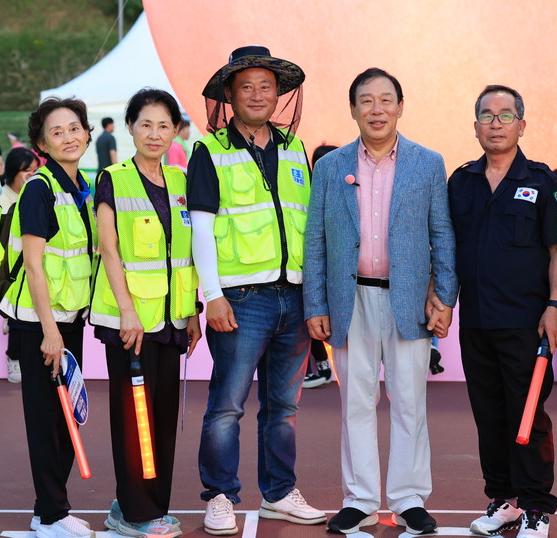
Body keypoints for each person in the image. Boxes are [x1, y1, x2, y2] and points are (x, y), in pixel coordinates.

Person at [303, 67, 458, 536]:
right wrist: (315, 304)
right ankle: (361, 500)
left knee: (409, 401)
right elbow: (315, 240)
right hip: (348, 299)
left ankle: (409, 498)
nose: (377, 109)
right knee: (356, 401)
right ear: (353, 109)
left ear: (400, 106)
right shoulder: (330, 167)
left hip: (409, 300)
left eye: (386, 99)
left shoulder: (427, 163)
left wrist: (444, 297)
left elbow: (442, 234)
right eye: (366, 100)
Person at [187, 46, 325, 536]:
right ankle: (220, 496)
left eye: (267, 86)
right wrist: (212, 295)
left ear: (278, 93)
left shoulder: (294, 148)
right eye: (246, 86)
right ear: (230, 94)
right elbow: (201, 229)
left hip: (295, 296)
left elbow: (309, 225)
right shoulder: (209, 151)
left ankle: (279, 493)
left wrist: (315, 294)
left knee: (283, 408)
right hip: (241, 299)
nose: (258, 94)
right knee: (227, 405)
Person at [449, 85, 557, 538]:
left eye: (505, 115)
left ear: (522, 125)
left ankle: (537, 507)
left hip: (526, 324)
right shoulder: (462, 181)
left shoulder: (543, 182)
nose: (495, 124)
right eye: (487, 115)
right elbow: (448, 245)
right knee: (490, 417)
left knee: (528, 416)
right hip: (476, 321)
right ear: (475, 125)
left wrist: (555, 305)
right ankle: (504, 501)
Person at [90, 88, 202, 537]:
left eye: (163, 126)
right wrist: (127, 312)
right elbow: (109, 250)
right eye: (145, 125)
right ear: (130, 127)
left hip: (172, 321)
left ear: (175, 130)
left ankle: (152, 505)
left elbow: (188, 254)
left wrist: (192, 311)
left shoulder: (181, 180)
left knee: (162, 418)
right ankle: (135, 514)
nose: (154, 134)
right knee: (134, 419)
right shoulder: (112, 179)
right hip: (131, 323)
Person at [0, 97, 97, 538]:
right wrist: (50, 332)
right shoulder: (40, 188)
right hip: (40, 324)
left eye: (74, 128)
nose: (68, 137)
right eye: (56, 132)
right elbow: (34, 266)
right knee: (46, 421)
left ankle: (51, 510)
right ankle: (51, 515)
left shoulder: (81, 187)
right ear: (41, 144)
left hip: (68, 319)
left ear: (87, 134)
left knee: (65, 416)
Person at [0, 146, 40, 384]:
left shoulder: (35, 195)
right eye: (26, 170)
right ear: (13, 172)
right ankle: (13, 358)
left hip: (31, 263)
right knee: (16, 314)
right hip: (9, 268)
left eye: (35, 169)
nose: (31, 175)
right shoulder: (1, 201)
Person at [302, 143, 339, 389]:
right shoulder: (307, 190)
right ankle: (321, 368)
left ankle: (323, 368)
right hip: (314, 268)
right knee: (311, 319)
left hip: (336, 270)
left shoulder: (349, 188)